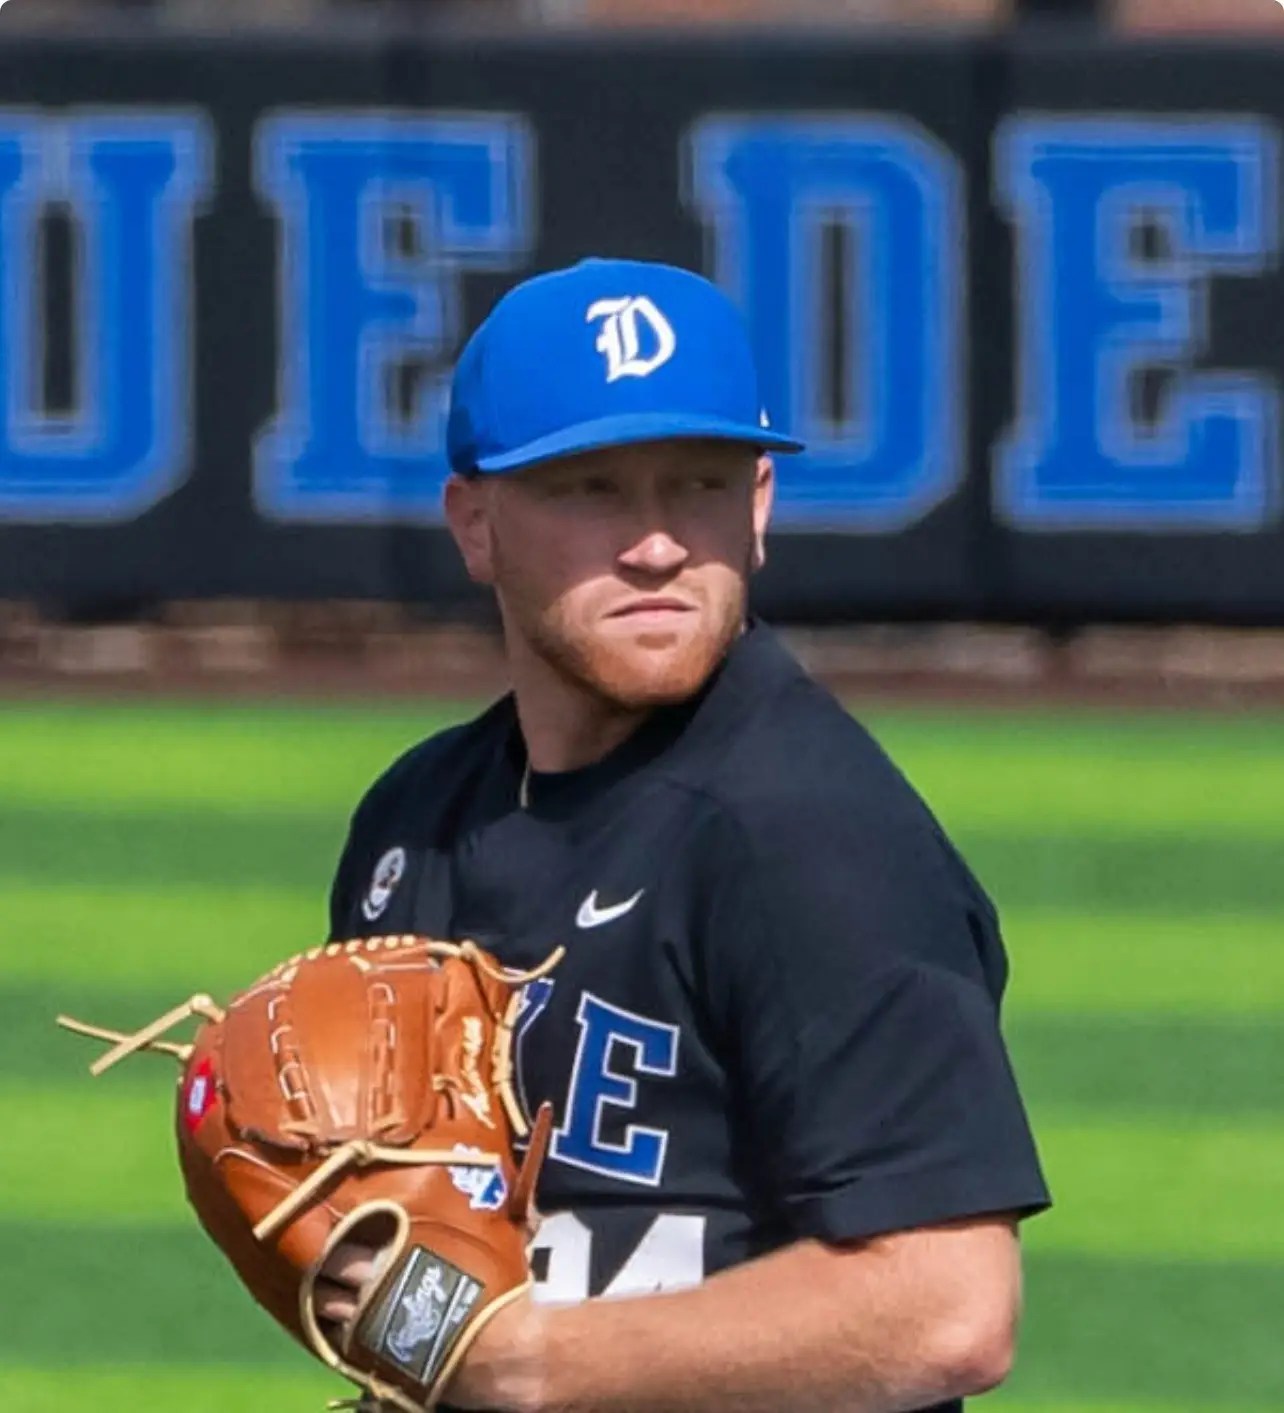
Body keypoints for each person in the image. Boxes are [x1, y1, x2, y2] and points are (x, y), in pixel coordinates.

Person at [317, 257, 1050, 1412]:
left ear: (757, 508)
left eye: (696, 486)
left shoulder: (809, 835)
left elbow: (948, 1301)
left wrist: (527, 1363)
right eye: (591, 490)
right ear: (474, 523)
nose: (657, 544)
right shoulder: (417, 824)